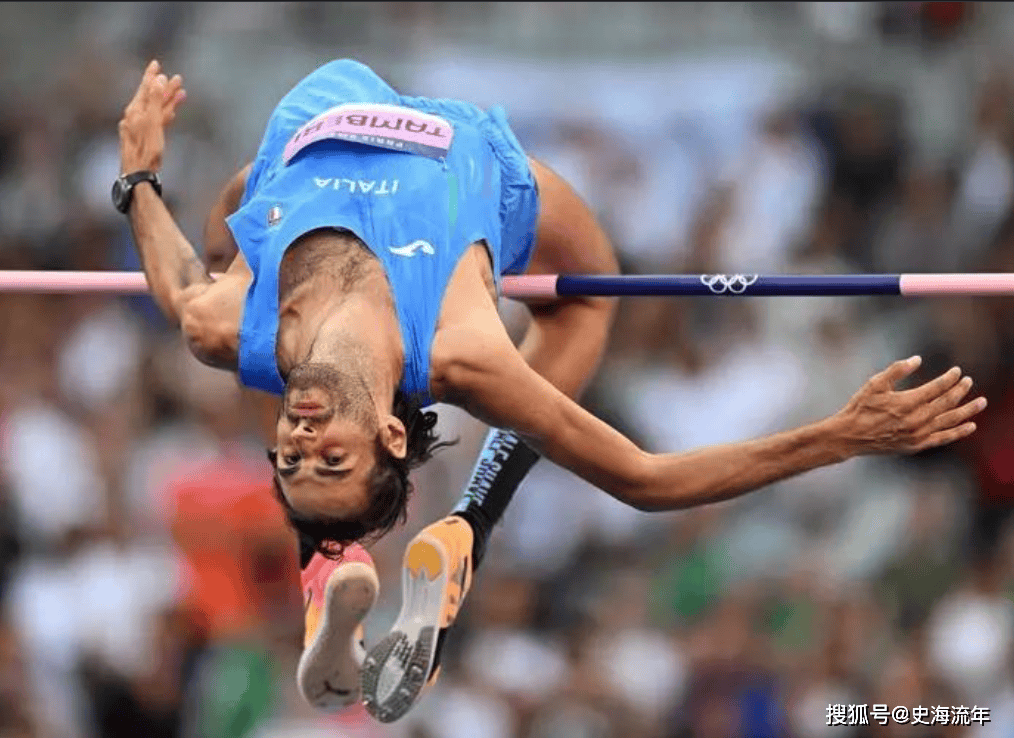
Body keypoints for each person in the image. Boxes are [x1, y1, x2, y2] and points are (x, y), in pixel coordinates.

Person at [115, 58, 986, 723]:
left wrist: (138, 177)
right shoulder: (461, 349)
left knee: (224, 216)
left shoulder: (230, 328)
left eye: (292, 458)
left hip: (309, 133)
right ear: (388, 433)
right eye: (329, 458)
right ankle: (470, 528)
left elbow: (179, 276)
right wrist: (841, 435)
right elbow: (645, 480)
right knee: (592, 293)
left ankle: (337, 564)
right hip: (461, 151)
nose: (301, 437)